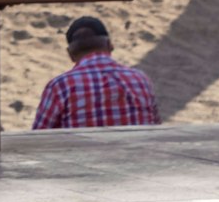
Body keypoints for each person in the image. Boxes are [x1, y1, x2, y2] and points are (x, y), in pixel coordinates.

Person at [31, 16, 161, 129]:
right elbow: (155, 127)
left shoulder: (60, 87)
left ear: (70, 54)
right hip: (140, 156)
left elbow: (38, 138)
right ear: (110, 45)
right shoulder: (140, 80)